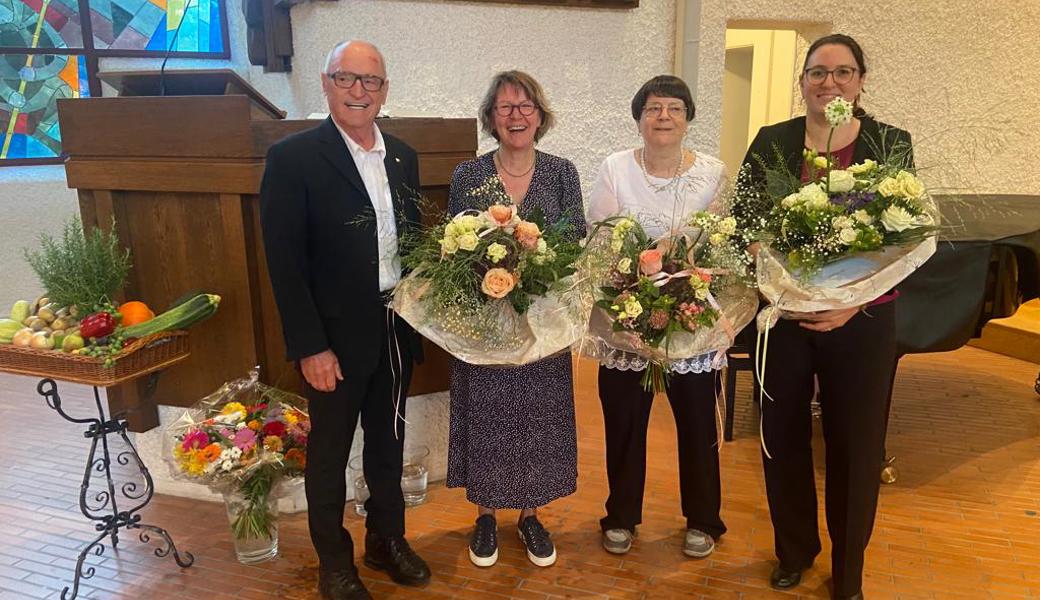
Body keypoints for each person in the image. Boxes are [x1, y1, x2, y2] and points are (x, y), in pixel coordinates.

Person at [739, 34, 914, 600]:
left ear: (861, 81)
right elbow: (746, 229)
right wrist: (782, 287)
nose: (829, 83)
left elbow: (904, 238)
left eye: (842, 72)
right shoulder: (773, 142)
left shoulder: (890, 143)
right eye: (817, 73)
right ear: (803, 83)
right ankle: (794, 549)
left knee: (856, 447)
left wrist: (852, 302)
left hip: (861, 321)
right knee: (781, 438)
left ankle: (849, 572)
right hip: (784, 318)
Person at [260, 40, 431, 600]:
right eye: (347, 79)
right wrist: (310, 345)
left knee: (388, 443)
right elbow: (285, 264)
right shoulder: (294, 158)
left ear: (385, 90)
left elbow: (413, 246)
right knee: (330, 455)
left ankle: (386, 541)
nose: (359, 91)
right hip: (333, 337)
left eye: (371, 81)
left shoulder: (403, 155)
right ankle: (335, 562)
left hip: (395, 327)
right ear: (327, 83)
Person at [446, 70, 586, 569]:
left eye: (525, 106)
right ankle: (485, 515)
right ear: (491, 118)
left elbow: (575, 245)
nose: (516, 116)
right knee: (489, 412)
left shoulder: (562, 173)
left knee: (539, 413)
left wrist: (541, 272)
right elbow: (453, 251)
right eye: (505, 107)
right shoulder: (468, 176)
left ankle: (530, 514)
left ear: (540, 116)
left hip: (544, 323)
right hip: (486, 322)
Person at [586, 75, 728, 559]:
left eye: (673, 108)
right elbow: (603, 238)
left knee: (697, 427)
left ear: (688, 118)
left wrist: (681, 274)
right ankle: (621, 516)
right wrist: (634, 287)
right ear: (639, 118)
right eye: (652, 108)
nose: (663, 116)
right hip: (627, 321)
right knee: (624, 425)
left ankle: (704, 520)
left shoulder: (712, 171)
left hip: (692, 322)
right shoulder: (616, 167)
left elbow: (719, 242)